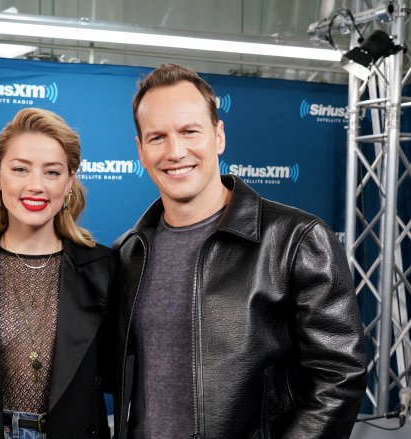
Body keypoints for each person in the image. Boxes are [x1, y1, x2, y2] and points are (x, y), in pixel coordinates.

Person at [113, 64, 367, 439]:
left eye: (189, 131)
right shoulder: (129, 252)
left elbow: (339, 375)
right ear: (140, 150)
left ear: (218, 136)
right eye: (157, 137)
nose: (175, 151)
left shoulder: (295, 240)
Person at [0, 108, 115, 439]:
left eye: (52, 172)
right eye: (20, 169)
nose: (35, 186)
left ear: (69, 182)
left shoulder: (104, 268)